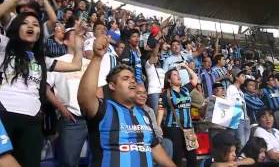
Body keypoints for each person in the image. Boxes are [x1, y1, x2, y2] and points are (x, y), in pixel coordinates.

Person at [77, 35, 175, 167]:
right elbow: (84, 97)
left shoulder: (144, 114)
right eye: (125, 78)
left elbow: (154, 147)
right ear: (112, 85)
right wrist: (97, 57)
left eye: (133, 78)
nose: (132, 80)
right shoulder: (104, 110)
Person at [0, 12, 82, 167]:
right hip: (4, 116)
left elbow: (75, 65)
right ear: (16, 28)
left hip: (33, 121)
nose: (31, 26)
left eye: (36, 24)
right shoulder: (4, 47)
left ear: (39, 34)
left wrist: (77, 43)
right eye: (25, 23)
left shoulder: (43, 60)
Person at [46, 28, 89, 167]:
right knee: (69, 163)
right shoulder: (57, 61)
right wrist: (61, 108)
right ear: (65, 41)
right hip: (72, 119)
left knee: (98, 160)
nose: (79, 37)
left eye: (81, 35)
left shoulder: (89, 62)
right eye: (75, 35)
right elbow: (45, 88)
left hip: (93, 118)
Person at [157, 62, 198, 167]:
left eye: (178, 74)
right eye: (175, 75)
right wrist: (158, 126)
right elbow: (161, 109)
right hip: (173, 128)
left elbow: (195, 79)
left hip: (189, 128)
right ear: (169, 80)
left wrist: (186, 67)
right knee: (177, 157)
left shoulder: (185, 89)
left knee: (192, 157)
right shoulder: (165, 94)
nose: (178, 76)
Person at [134, 84, 173, 161]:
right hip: (137, 142)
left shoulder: (150, 111)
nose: (143, 96)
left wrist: (158, 140)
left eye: (144, 93)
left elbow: (155, 128)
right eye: (139, 93)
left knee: (167, 143)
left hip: (151, 141)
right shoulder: (129, 110)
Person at [226, 67, 250, 152]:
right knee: (241, 143)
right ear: (236, 77)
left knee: (245, 143)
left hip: (244, 119)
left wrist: (246, 117)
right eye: (242, 76)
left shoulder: (241, 91)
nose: (244, 78)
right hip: (237, 119)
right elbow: (229, 104)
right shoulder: (231, 89)